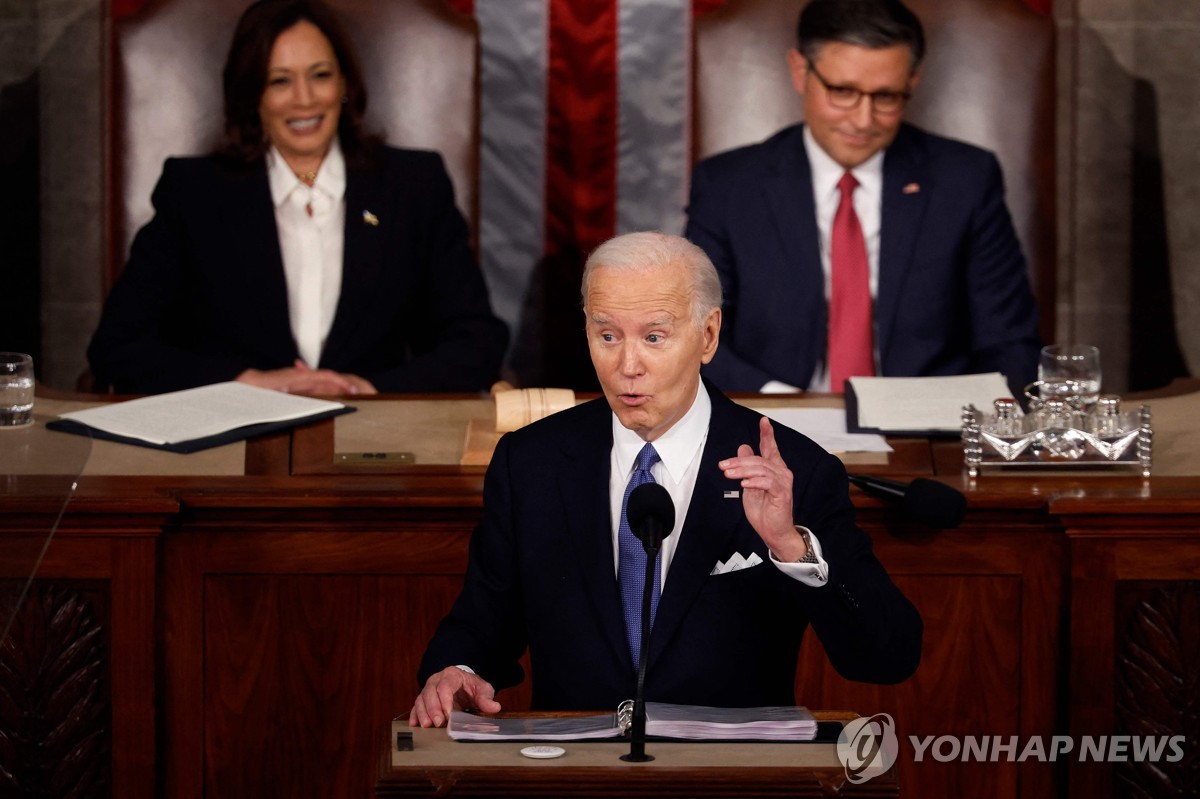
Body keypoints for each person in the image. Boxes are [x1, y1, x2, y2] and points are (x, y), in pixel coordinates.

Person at [410, 231, 921, 725]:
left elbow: (886, 656)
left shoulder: (792, 470)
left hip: (729, 779)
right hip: (574, 773)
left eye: (654, 337)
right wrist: (459, 671)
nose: (627, 365)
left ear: (708, 336)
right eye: (607, 335)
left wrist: (791, 547)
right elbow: (482, 622)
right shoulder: (531, 462)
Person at [87, 0, 507, 396]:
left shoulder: (415, 185)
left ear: (344, 83)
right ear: (253, 96)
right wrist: (246, 385)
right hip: (232, 447)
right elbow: (117, 348)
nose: (305, 98)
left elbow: (478, 341)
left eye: (320, 75)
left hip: (376, 445)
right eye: (280, 80)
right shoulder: (193, 193)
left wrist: (371, 391)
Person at [685, 0, 1040, 398]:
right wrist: (781, 405)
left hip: (926, 434)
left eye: (886, 97)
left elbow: (1010, 342)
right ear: (801, 72)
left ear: (912, 83)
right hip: (774, 423)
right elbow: (696, 334)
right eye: (843, 92)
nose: (863, 120)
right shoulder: (729, 186)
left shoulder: (966, 180)